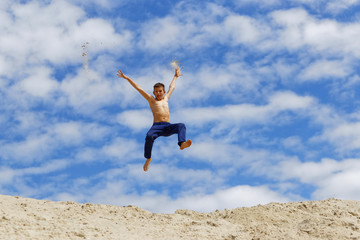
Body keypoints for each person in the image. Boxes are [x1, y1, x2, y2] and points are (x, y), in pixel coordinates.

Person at [117, 68, 192, 171]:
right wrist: (127, 78)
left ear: (163, 91)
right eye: (156, 91)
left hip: (167, 126)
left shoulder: (166, 99)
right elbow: (139, 88)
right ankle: (148, 158)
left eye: (160, 91)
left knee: (181, 125)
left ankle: (182, 143)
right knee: (149, 136)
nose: (158, 93)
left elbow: (172, 87)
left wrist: (175, 77)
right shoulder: (151, 100)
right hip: (156, 126)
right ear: (153, 92)